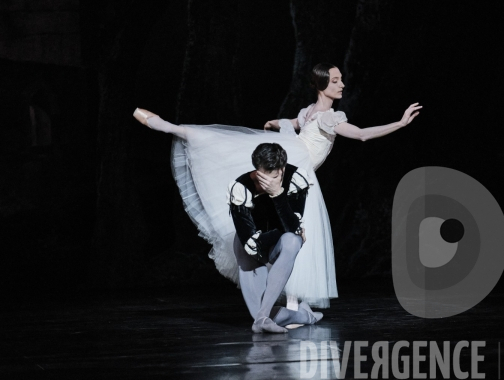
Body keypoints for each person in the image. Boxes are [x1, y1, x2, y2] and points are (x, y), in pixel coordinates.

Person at [133, 62, 421, 309]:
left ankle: (177, 129)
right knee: (295, 232)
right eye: (335, 81)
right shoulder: (326, 116)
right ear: (322, 86)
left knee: (288, 228)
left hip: (295, 165)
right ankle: (174, 129)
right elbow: (360, 135)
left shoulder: (313, 113)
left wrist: (276, 124)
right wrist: (400, 123)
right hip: (298, 171)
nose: (342, 84)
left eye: (340, 79)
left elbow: (300, 123)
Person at [228, 142, 322, 333]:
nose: (267, 183)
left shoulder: (295, 178)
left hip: (279, 245)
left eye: (273, 177)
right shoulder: (240, 187)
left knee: (292, 241)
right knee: (262, 314)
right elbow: (251, 244)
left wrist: (278, 194)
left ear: (282, 169)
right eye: (262, 176)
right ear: (256, 169)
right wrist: (291, 229)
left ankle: (262, 319)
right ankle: (304, 316)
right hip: (252, 249)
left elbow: (293, 229)